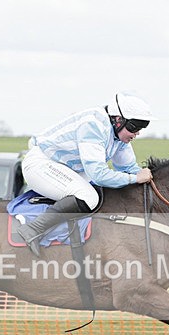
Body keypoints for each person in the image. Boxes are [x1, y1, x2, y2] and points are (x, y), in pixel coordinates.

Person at [16, 92, 154, 255]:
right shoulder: (94, 125)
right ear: (118, 120)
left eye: (140, 129)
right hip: (41, 164)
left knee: (102, 193)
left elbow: (128, 167)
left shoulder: (118, 136)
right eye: (135, 128)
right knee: (89, 197)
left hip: (65, 168)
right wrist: (135, 178)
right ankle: (32, 229)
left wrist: (147, 177)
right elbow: (99, 175)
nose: (137, 134)